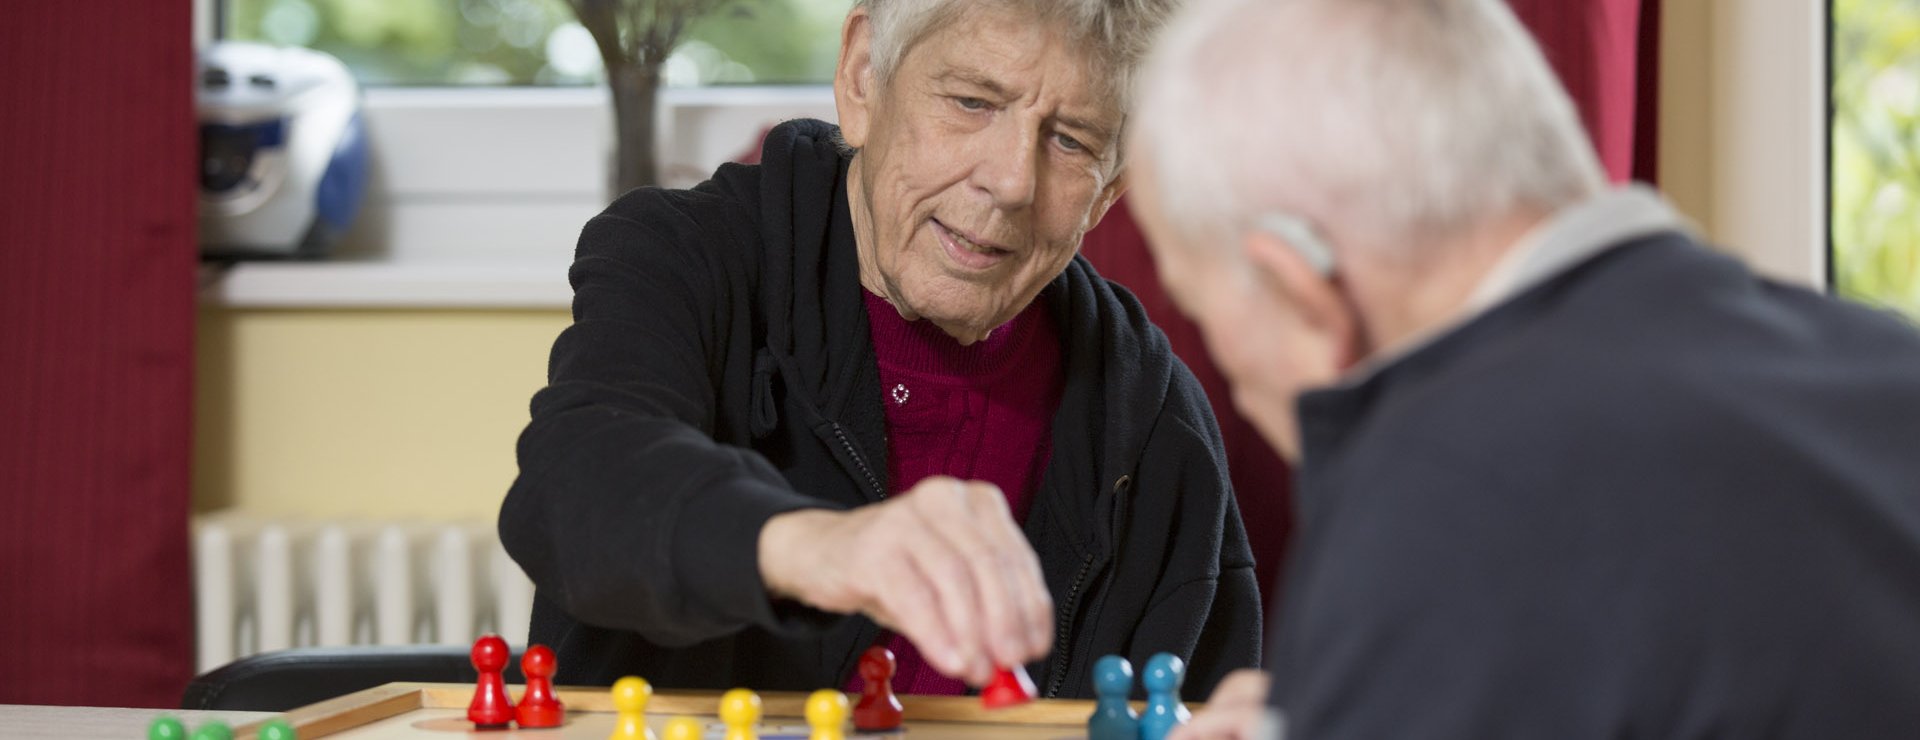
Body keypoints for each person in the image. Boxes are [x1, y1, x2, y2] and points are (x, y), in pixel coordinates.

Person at [1124, 0, 1920, 737]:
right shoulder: (1890, 372)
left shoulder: (1440, 498)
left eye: (1202, 307)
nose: (1237, 383)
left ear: (1299, 291)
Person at [498, 0, 1262, 701]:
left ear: (1111, 188)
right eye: (972, 101)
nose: (1010, 181)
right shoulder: (687, 259)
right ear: (864, 76)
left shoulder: (1158, 424)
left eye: (1070, 140)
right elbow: (573, 488)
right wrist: (819, 547)